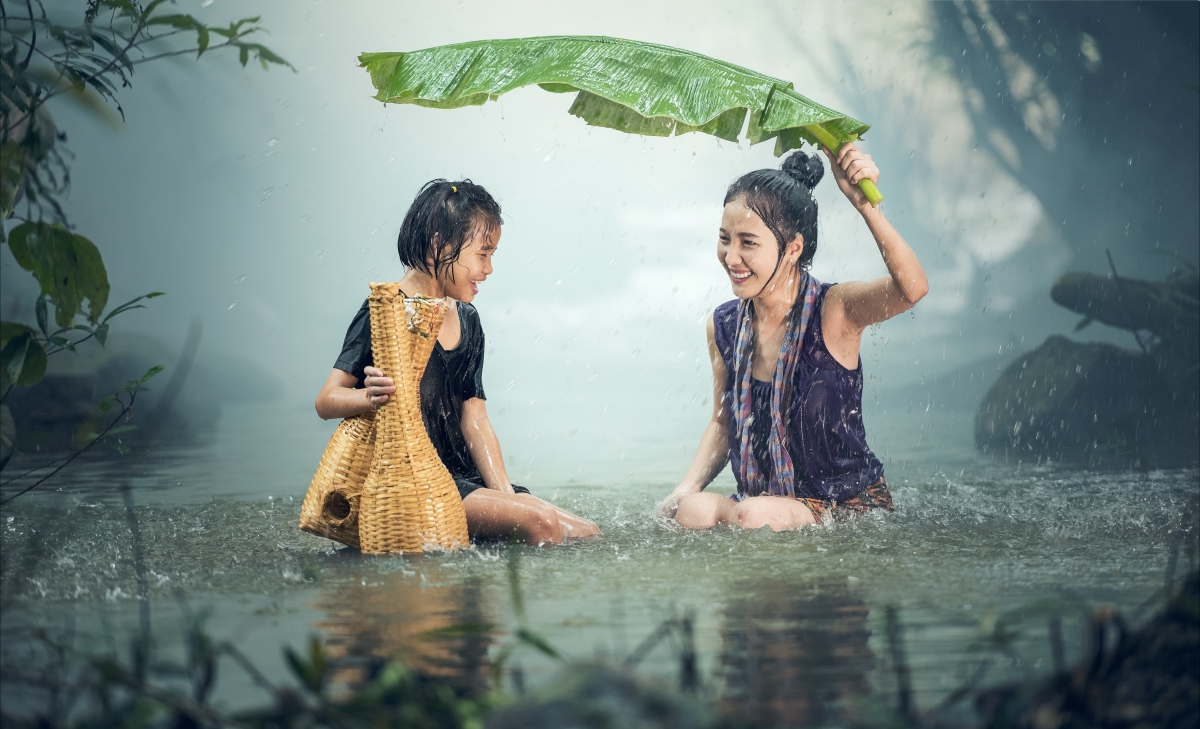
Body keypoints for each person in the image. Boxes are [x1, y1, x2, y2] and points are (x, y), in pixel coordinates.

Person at [316, 179, 600, 545]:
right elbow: (326, 400)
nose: (490, 268)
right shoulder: (387, 311)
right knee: (542, 523)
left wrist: (505, 497)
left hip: (465, 477)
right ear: (439, 243)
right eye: (483, 254)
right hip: (419, 481)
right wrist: (367, 398)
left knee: (585, 533)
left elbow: (475, 419)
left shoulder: (467, 319)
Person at [658, 144, 927, 531]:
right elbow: (723, 422)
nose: (731, 257)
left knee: (752, 515)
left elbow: (912, 288)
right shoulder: (725, 326)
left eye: (747, 243)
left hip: (846, 506)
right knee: (694, 511)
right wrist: (685, 487)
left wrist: (865, 205)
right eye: (724, 238)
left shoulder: (835, 312)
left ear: (793, 248)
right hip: (765, 503)